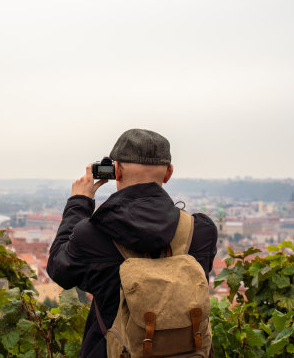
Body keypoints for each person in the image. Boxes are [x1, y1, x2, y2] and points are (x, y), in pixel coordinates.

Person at [47, 129, 217, 357]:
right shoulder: (200, 231)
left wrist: (79, 202)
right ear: (169, 173)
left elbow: (60, 270)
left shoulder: (93, 235)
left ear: (116, 171)